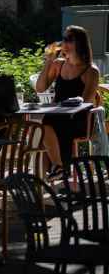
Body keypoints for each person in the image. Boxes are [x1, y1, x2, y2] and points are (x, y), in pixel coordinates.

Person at [35, 25, 100, 180]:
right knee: (43, 126)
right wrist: (48, 63)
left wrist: (65, 108)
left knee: (47, 125)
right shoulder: (58, 64)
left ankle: (57, 169)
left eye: (69, 40)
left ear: (80, 43)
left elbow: (86, 102)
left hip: (80, 119)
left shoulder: (91, 71)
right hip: (58, 116)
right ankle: (58, 168)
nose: (64, 43)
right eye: (64, 39)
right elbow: (40, 88)